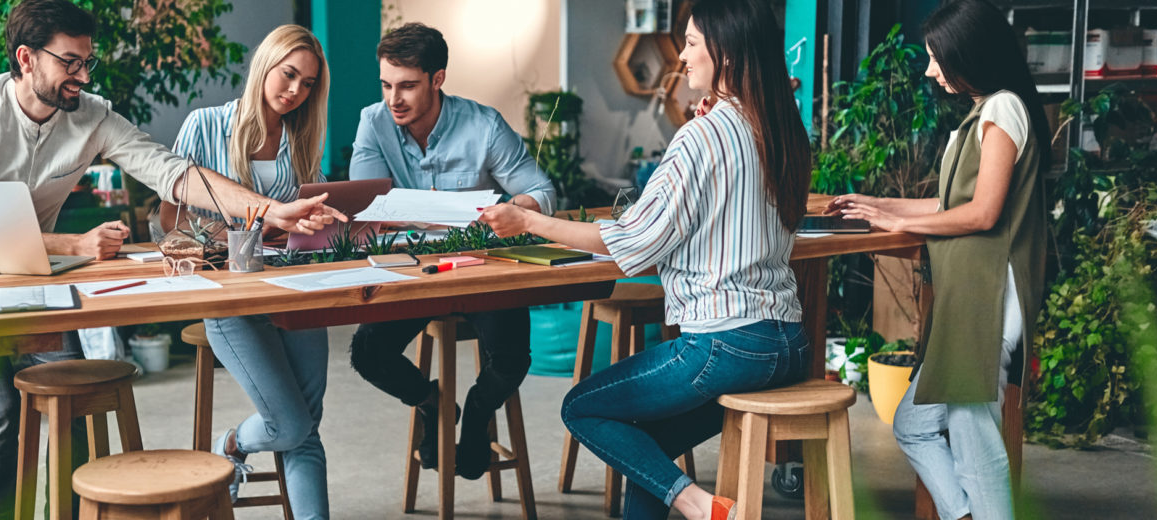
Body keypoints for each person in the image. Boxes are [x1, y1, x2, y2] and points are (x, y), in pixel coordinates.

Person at [0, 2, 344, 518]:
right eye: (70, 62)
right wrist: (74, 245)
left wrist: (271, 211)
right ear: (26, 59)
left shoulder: (92, 115)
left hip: (42, 282)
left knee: (72, 406)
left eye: (87, 62)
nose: (82, 75)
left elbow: (175, 173)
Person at [478, 1, 811, 517]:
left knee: (581, 407)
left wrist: (528, 223)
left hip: (725, 345)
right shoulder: (785, 130)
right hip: (787, 345)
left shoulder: (701, 136)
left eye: (694, 43)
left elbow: (632, 243)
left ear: (726, 52)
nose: (683, 56)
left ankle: (701, 506)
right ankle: (687, 497)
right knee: (649, 450)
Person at [827, 1, 1049, 518]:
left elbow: (983, 214)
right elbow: (951, 205)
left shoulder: (1002, 108)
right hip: (968, 297)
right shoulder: (982, 113)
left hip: (989, 295)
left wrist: (899, 222)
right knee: (914, 423)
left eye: (936, 58)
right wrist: (877, 206)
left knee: (975, 437)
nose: (930, 70)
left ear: (968, 53)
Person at [345, 22, 557, 481]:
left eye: (407, 86)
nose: (393, 98)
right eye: (386, 85)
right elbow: (368, 207)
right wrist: (447, 212)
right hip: (412, 272)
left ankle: (477, 414)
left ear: (437, 79)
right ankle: (433, 403)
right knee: (367, 353)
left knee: (512, 359)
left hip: (479, 268)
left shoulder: (482, 125)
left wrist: (513, 211)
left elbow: (541, 190)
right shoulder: (373, 122)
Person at [160, 25, 333, 518]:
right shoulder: (205, 125)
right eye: (289, 75)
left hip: (293, 289)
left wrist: (309, 224)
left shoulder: (301, 139)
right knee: (290, 423)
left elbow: (300, 222)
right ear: (265, 64)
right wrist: (234, 232)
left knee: (305, 425)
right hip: (228, 295)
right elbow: (169, 217)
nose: (295, 91)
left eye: (308, 84)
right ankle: (232, 444)